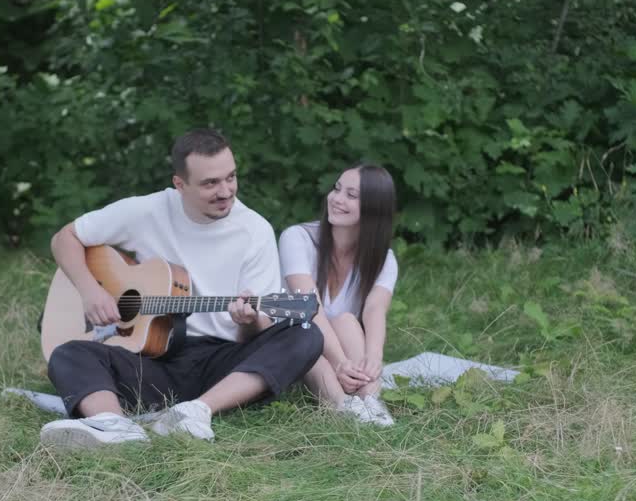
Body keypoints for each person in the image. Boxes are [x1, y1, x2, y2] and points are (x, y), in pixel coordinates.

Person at [38, 129, 324, 448]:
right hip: (155, 361)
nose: (225, 191)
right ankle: (114, 426)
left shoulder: (254, 231)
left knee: (306, 334)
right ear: (179, 184)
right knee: (67, 353)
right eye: (210, 183)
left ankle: (195, 411)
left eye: (231, 177)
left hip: (223, 365)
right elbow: (65, 238)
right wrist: (91, 291)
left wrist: (250, 320)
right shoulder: (147, 211)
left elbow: (258, 333)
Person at [278, 163, 398, 426]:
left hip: (340, 347)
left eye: (351, 195)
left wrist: (373, 359)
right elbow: (309, 306)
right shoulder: (297, 238)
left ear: (374, 208)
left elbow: (375, 310)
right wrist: (341, 362)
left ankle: (371, 402)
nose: (336, 199)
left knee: (346, 321)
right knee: (307, 335)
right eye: (337, 189)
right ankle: (344, 408)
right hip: (292, 343)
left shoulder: (384, 259)